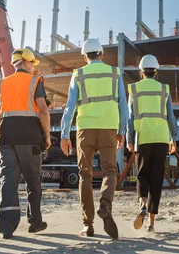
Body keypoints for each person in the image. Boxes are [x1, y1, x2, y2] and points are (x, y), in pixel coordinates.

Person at [60, 38, 127, 239]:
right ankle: (105, 204)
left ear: (84, 56)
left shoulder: (78, 74)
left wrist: (64, 134)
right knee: (110, 170)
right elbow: (123, 104)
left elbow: (70, 106)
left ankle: (87, 224)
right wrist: (122, 130)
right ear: (102, 54)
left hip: (85, 129)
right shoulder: (115, 73)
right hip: (108, 127)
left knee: (85, 174)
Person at [0, 48, 51, 239]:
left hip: (7, 138)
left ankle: (6, 227)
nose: (34, 67)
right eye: (33, 63)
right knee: (33, 180)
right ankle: (35, 222)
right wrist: (47, 135)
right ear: (25, 63)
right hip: (31, 139)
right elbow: (43, 109)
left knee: (8, 181)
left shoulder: (1, 84)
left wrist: (0, 135)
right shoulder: (35, 81)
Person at [126, 54, 178, 233]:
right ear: (156, 72)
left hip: (143, 136)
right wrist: (173, 138)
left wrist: (129, 139)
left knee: (142, 175)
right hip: (162, 137)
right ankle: (151, 223)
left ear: (141, 72)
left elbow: (130, 117)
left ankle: (142, 204)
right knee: (156, 179)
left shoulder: (134, 89)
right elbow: (170, 117)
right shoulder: (164, 89)